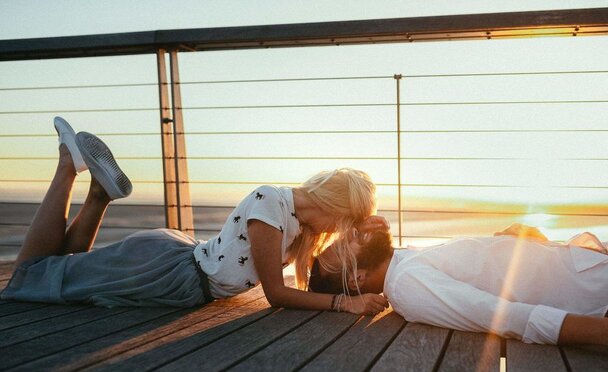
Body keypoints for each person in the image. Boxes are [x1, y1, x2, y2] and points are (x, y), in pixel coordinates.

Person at [0, 117, 389, 315]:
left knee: (66, 270)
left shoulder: (302, 225)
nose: (339, 233)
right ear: (336, 210)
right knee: (33, 274)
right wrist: (345, 304)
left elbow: (322, 271)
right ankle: (68, 164)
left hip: (180, 271)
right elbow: (276, 295)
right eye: (345, 225)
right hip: (165, 270)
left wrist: (373, 228)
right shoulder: (271, 204)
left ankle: (99, 196)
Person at [309, 166, 608, 359]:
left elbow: (483, 270)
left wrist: (511, 242)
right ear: (356, 276)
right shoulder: (408, 286)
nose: (345, 236)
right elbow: (508, 317)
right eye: (337, 250)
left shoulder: (406, 259)